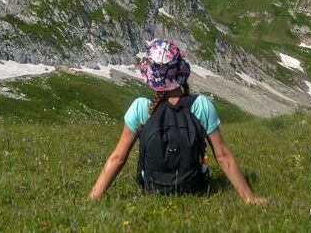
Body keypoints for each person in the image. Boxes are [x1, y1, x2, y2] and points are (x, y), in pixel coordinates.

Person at [88, 39, 266, 204]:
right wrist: (249, 198)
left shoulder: (141, 108)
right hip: (195, 188)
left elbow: (118, 159)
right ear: (181, 72)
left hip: (152, 189)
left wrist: (93, 197)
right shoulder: (201, 106)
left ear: (151, 77)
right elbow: (223, 156)